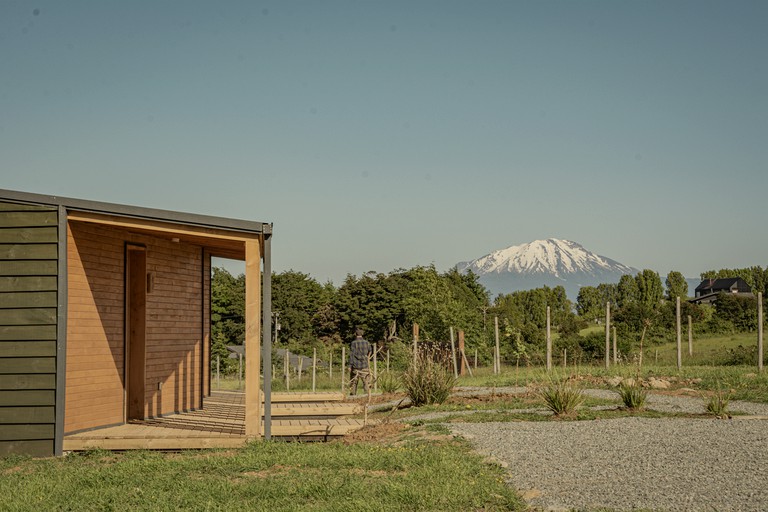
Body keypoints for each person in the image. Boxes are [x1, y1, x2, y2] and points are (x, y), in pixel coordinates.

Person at [348, 327, 372, 395]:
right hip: (365, 366)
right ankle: (366, 396)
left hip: (355, 366)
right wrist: (367, 358)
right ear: (362, 334)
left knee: (354, 382)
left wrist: (350, 365)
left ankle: (353, 396)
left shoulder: (353, 343)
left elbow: (352, 355)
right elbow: (370, 351)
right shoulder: (367, 343)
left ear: (355, 334)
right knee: (366, 383)